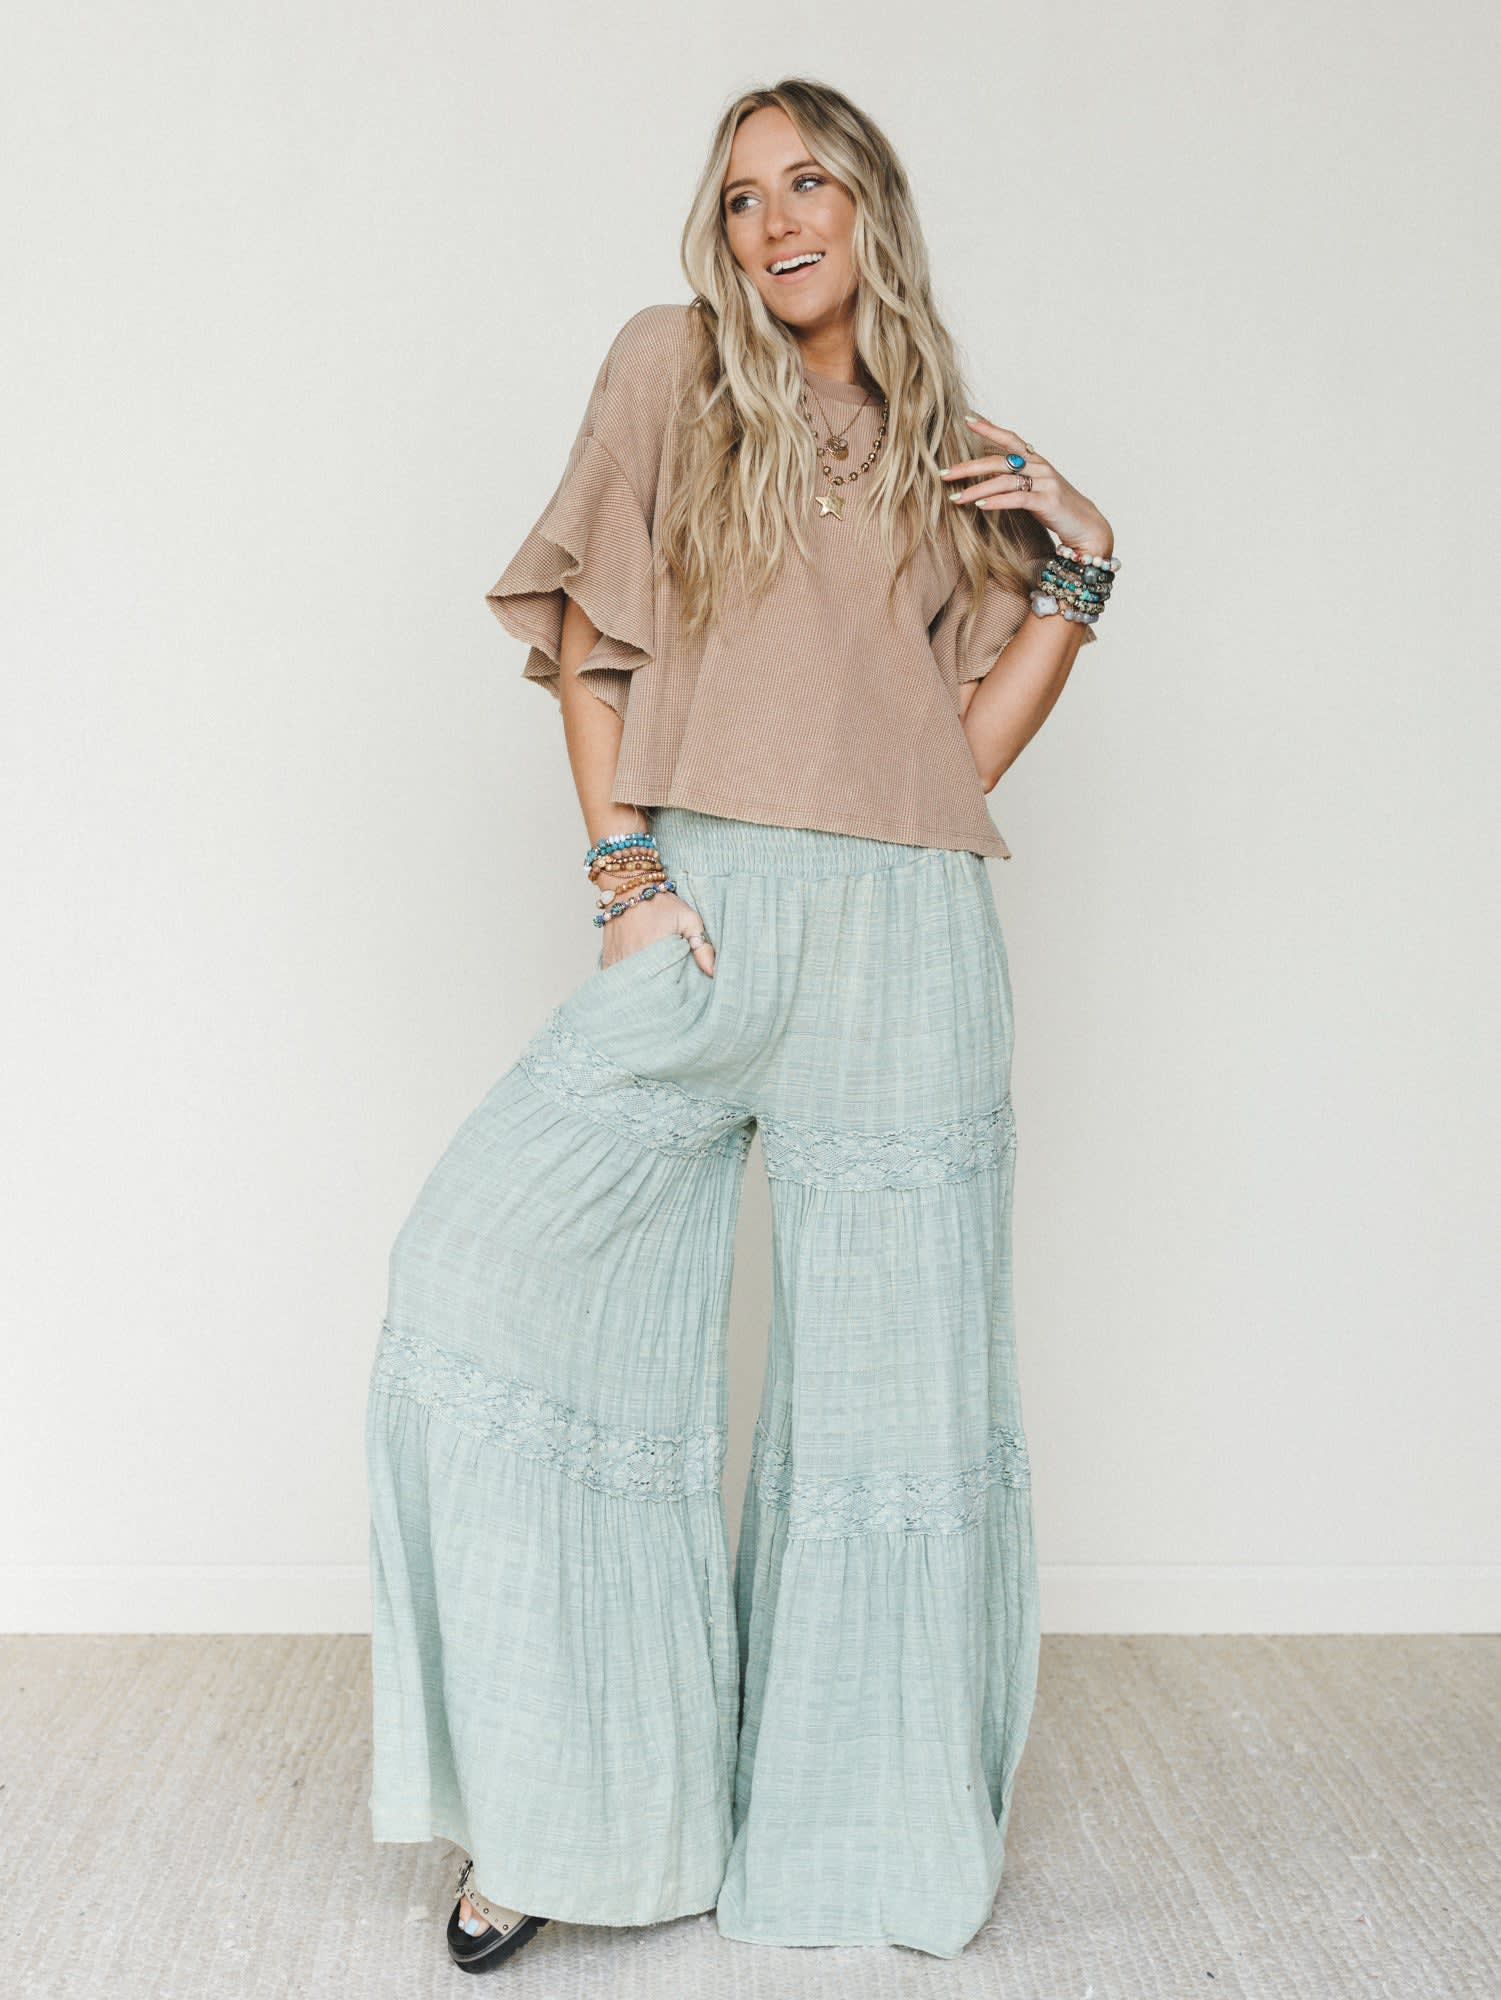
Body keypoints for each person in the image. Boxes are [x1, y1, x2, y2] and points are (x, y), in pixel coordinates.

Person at [364, 76, 1118, 1971]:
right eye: (739, 197)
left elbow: (950, 759)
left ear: (870, 206)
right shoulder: (670, 367)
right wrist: (627, 875)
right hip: (707, 920)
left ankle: (850, 1850)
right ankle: (559, 1816)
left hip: (906, 943)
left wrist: (1082, 569)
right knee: (481, 1272)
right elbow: (589, 648)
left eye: (807, 184)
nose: (773, 222)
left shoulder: (944, 447)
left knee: (890, 1414)